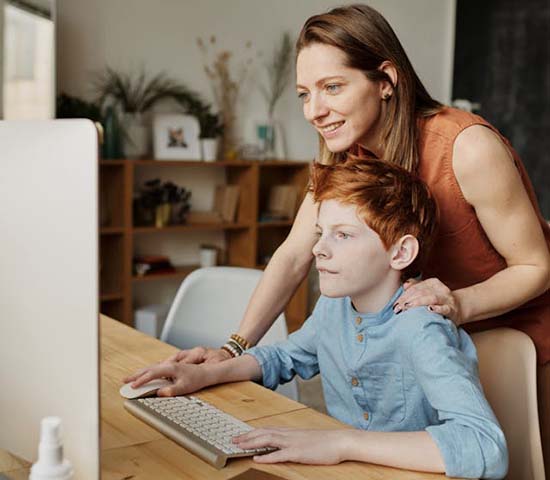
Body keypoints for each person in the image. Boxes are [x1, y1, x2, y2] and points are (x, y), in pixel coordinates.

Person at [135, 2, 550, 468]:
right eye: (304, 93)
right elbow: (293, 255)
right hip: (422, 343)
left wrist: (457, 303)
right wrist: (231, 349)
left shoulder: (468, 148)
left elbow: (536, 267)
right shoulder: (343, 158)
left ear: (386, 81)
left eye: (332, 87)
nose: (314, 110)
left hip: (513, 341)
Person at [126, 159, 508, 478]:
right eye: (321, 232)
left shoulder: (420, 327)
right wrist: (208, 372)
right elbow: (287, 356)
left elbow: (484, 445)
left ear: (400, 252)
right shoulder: (335, 307)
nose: (318, 249)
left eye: (342, 235)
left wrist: (341, 442)